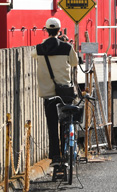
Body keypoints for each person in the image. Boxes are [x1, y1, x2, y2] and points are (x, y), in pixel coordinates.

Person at [32, 17, 79, 164]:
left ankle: (55, 156)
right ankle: (67, 151)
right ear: (59, 30)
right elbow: (74, 63)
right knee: (65, 122)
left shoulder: (39, 49)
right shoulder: (67, 47)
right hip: (65, 92)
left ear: (46, 30)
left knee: (52, 125)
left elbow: (32, 55)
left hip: (48, 94)